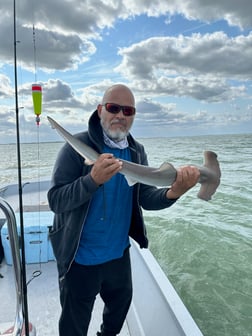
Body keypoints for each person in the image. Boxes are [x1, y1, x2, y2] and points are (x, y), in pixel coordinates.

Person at [47, 84, 200, 336]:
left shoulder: (136, 151)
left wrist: (174, 192)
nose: (120, 115)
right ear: (100, 111)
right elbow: (56, 200)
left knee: (116, 316)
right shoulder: (76, 147)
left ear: (133, 116)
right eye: (113, 108)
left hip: (118, 256)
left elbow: (146, 197)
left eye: (127, 110)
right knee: (73, 327)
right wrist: (91, 180)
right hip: (80, 258)